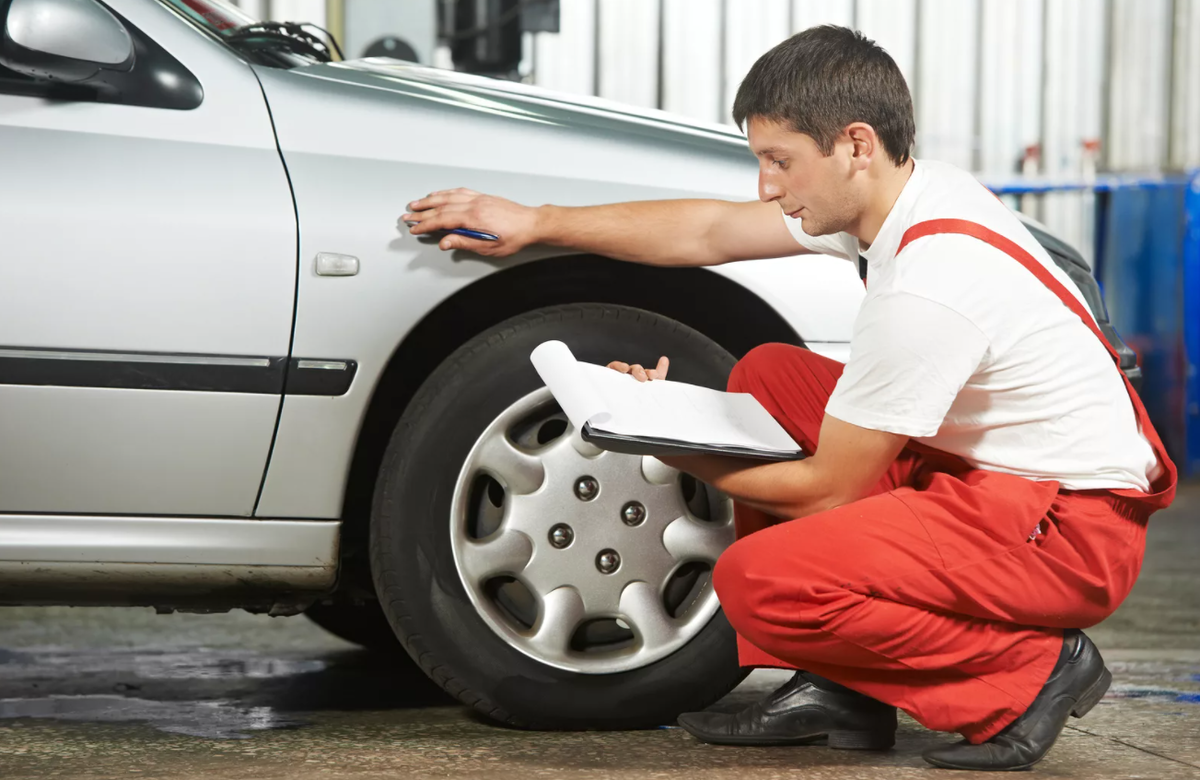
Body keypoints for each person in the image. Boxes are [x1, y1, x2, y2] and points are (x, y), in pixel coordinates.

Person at [400, 25, 1176, 772]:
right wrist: (538, 222)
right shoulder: (899, 197)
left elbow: (824, 487)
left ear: (856, 145)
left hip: (1064, 529)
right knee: (772, 376)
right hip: (1004, 478)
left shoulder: (929, 285)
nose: (767, 186)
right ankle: (839, 689)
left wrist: (672, 444)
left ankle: (1029, 672)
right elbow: (708, 231)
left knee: (758, 581)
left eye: (780, 161)